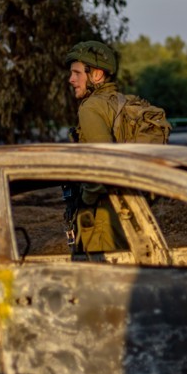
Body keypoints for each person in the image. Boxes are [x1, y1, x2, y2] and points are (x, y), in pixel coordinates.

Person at [64, 41, 128, 254]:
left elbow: (104, 166)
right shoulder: (119, 102)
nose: (71, 79)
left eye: (77, 73)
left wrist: (85, 203)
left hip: (103, 217)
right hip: (127, 212)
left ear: (97, 75)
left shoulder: (90, 108)